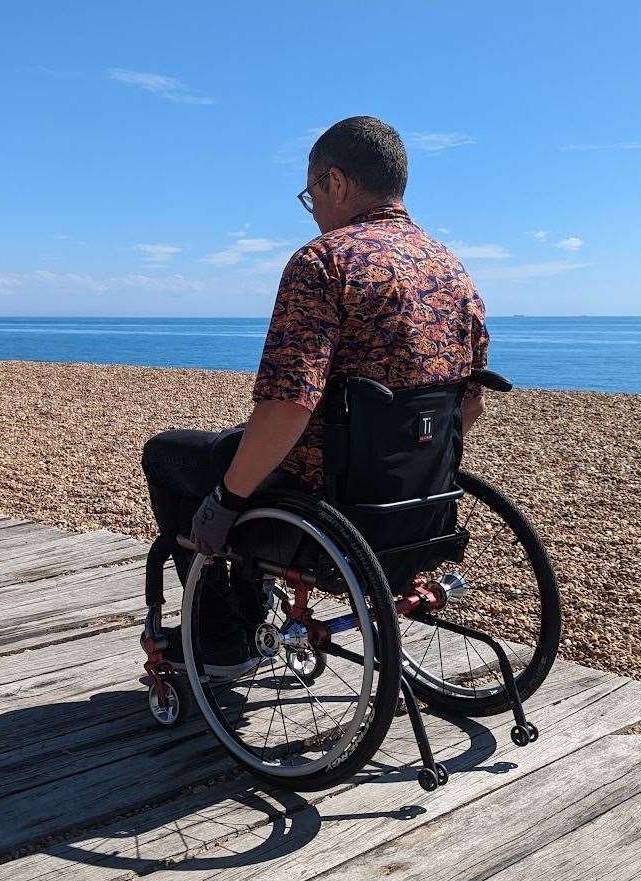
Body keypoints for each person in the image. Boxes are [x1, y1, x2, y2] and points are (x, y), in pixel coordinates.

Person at [140, 115, 491, 675]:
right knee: (239, 447)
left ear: (335, 182)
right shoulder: (451, 268)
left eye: (311, 196)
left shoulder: (324, 261)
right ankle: (253, 602)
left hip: (326, 502)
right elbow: (467, 404)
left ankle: (222, 636)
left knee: (171, 456)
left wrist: (227, 502)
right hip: (418, 504)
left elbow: (289, 404)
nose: (315, 211)